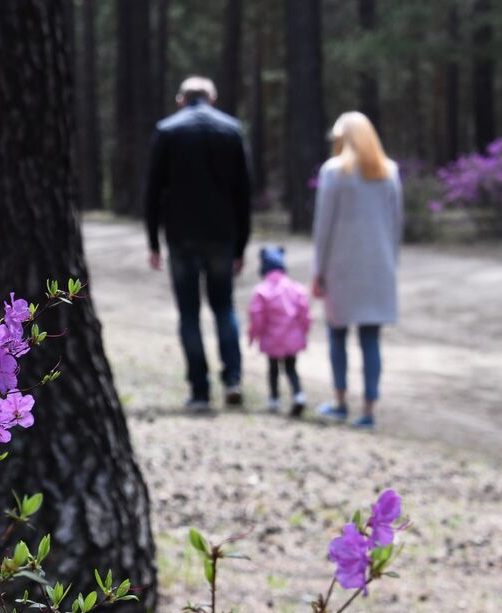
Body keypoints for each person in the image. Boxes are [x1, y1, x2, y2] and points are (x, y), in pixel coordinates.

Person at [145, 75, 253, 411]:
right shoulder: (231, 130)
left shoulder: (167, 131)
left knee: (189, 312)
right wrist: (241, 246)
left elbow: (152, 191)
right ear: (212, 98)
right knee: (223, 307)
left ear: (181, 99)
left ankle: (200, 390)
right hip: (222, 235)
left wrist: (153, 241)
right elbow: (244, 194)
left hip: (181, 236)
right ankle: (232, 379)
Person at [311, 111, 402, 430]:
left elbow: (324, 226)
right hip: (379, 266)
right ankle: (368, 409)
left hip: (341, 265)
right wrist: (393, 265)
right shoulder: (388, 172)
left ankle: (339, 402)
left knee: (337, 334)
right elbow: (395, 225)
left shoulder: (334, 172)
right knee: (370, 339)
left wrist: (317, 269)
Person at [246, 246, 311, 416]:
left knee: (273, 369)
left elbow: (256, 316)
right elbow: (305, 312)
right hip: (292, 338)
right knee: (291, 368)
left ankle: (274, 400)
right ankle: (299, 395)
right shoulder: (296, 288)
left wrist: (254, 335)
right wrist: (304, 332)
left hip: (271, 338)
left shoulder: (261, 291)